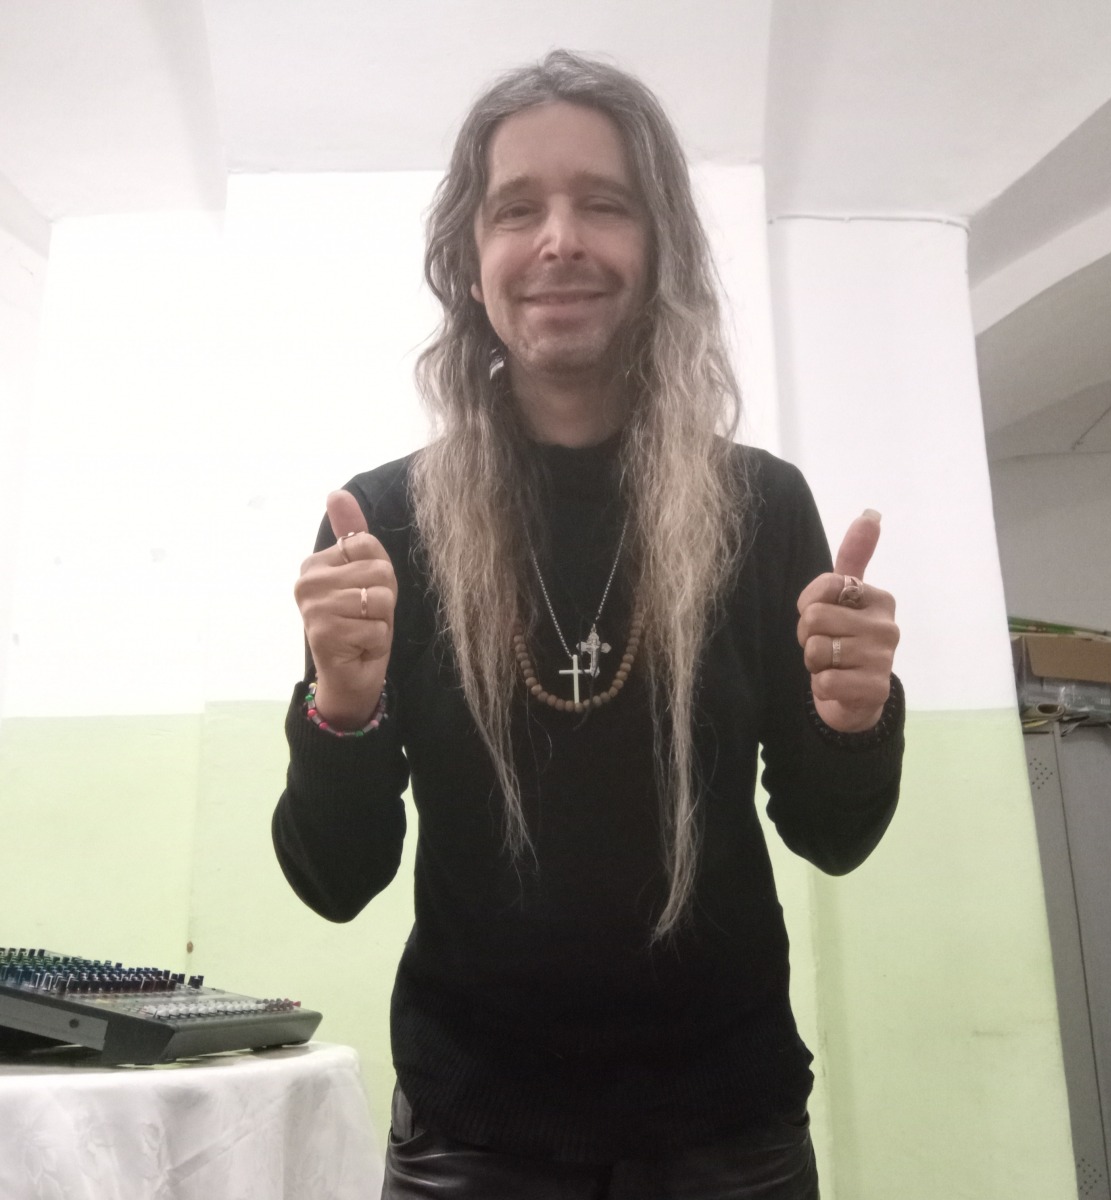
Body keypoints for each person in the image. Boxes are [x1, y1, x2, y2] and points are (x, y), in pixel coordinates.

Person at [273, 49, 903, 1200]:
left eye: (604, 203)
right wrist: (341, 712)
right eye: (517, 209)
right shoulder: (383, 524)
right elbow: (336, 878)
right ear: (470, 262)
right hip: (470, 1135)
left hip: (731, 1131)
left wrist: (857, 721)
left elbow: (832, 834)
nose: (559, 240)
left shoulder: (761, 507)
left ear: (660, 250)